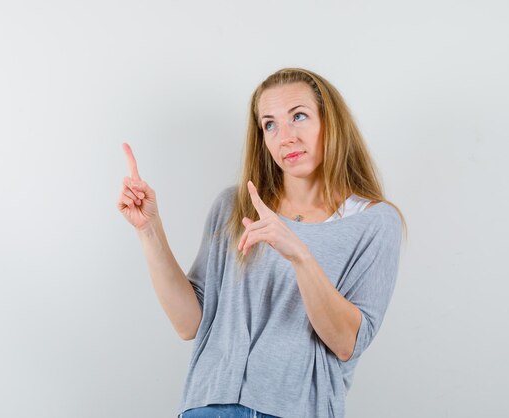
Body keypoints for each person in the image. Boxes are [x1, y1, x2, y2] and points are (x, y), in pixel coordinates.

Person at [117, 67, 407, 418]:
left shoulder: (374, 222)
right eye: (270, 124)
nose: (285, 136)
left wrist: (299, 254)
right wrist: (149, 229)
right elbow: (189, 323)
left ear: (331, 123)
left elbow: (347, 343)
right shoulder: (234, 207)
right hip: (208, 406)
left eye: (298, 116)